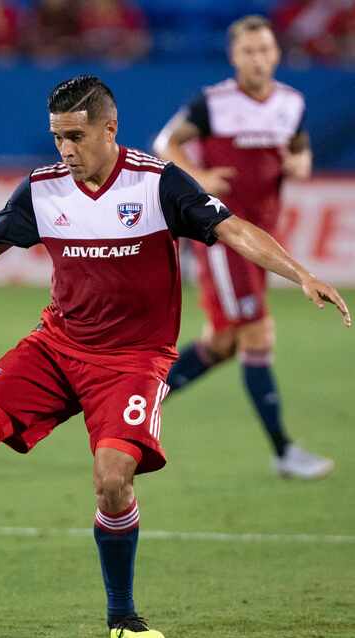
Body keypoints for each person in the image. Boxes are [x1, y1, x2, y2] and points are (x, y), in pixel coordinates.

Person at [0, 75, 350, 638]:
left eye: (75, 135)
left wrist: (302, 274)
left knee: (112, 478)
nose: (64, 150)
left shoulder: (158, 183)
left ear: (108, 129)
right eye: (57, 138)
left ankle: (122, 617)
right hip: (55, 347)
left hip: (133, 361)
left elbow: (234, 228)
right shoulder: (43, 189)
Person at [153, 15, 330, 479]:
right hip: (225, 236)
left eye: (265, 49)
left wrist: (299, 163)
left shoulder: (291, 103)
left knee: (225, 342)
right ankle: (284, 451)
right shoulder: (214, 103)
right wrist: (202, 178)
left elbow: (301, 151)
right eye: (248, 51)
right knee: (257, 334)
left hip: (262, 239)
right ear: (234, 56)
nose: (258, 58)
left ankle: (136, 401)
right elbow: (166, 143)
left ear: (276, 53)